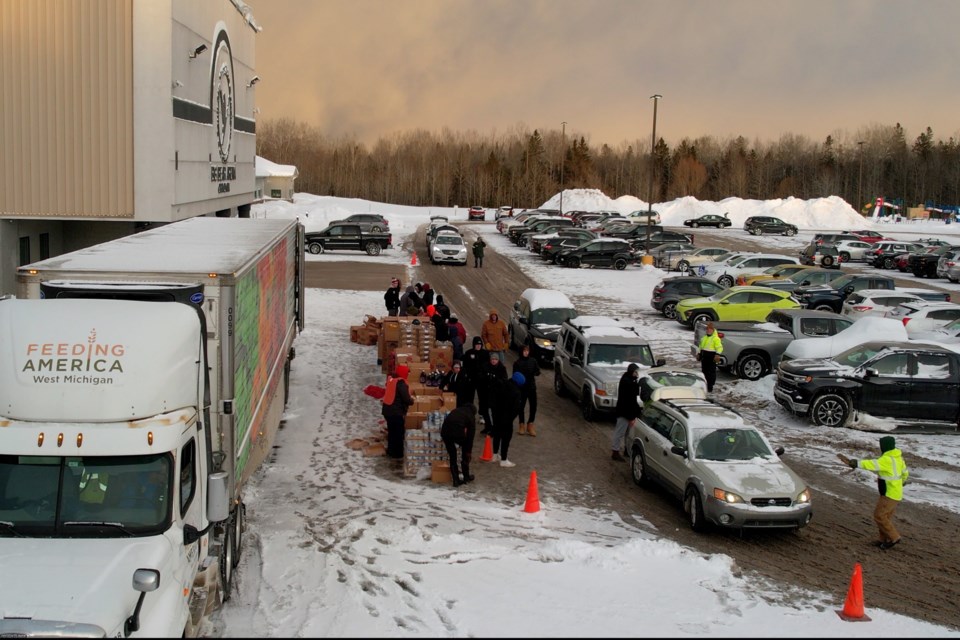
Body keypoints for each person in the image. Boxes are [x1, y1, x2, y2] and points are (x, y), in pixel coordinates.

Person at [838, 436, 909, 550]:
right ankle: (883, 539)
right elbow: (905, 472)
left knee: (879, 515)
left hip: (889, 493)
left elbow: (871, 464)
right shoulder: (898, 458)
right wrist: (903, 481)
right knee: (885, 517)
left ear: (884, 446)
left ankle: (894, 537)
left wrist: (857, 463)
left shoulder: (886, 459)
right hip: (896, 493)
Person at [489, 371, 524, 467]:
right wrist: (510, 418)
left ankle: (495, 455)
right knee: (506, 438)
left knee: (496, 435)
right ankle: (504, 460)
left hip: (496, 415)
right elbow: (516, 409)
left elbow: (493, 397)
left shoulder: (502, 384)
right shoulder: (516, 392)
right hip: (506, 419)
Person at [381, 365, 413, 459]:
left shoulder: (391, 380)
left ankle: (391, 451)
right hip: (395, 412)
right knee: (398, 432)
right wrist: (412, 401)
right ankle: (398, 454)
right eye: (407, 372)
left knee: (392, 431)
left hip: (387, 410)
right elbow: (406, 399)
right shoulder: (401, 383)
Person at [611, 363, 641, 462]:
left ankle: (626, 451)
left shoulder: (627, 379)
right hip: (624, 412)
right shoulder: (628, 383)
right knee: (620, 433)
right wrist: (632, 417)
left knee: (627, 434)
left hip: (625, 411)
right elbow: (629, 401)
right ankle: (615, 452)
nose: (637, 374)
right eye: (636, 372)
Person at [441, 403, 477, 487]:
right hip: (456, 433)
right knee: (465, 449)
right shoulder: (471, 417)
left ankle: (456, 480)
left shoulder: (457, 410)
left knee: (452, 455)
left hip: (445, 432)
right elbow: (470, 436)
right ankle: (466, 476)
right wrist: (468, 451)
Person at [513, 344, 541, 436]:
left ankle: (530, 424)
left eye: (527, 351)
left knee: (533, 406)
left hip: (531, 387)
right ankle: (521, 424)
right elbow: (515, 376)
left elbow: (538, 371)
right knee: (521, 407)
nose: (526, 352)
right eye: (524, 351)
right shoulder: (517, 363)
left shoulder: (533, 361)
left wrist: (536, 372)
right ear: (521, 352)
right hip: (522, 388)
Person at [478, 350, 508, 433]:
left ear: (498, 360)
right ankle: (488, 426)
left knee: (494, 413)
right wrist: (486, 377)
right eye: (492, 359)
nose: (493, 361)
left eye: (495, 359)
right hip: (485, 392)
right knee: (484, 411)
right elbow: (480, 376)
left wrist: (496, 380)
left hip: (496, 394)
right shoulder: (485, 366)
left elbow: (505, 380)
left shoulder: (502, 368)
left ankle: (494, 429)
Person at [461, 337, 488, 419]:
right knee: (469, 397)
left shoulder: (485, 353)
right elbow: (464, 366)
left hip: (482, 380)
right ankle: (470, 414)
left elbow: (487, 366)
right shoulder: (469, 353)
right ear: (474, 345)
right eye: (477, 344)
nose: (478, 346)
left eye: (480, 345)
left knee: (482, 398)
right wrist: (467, 376)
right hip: (471, 379)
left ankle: (482, 415)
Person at [697, 321, 723, 393]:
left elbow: (720, 347)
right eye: (707, 329)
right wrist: (699, 353)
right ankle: (704, 384)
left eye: (710, 329)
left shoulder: (716, 338)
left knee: (711, 372)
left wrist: (717, 354)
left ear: (713, 330)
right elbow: (700, 346)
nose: (709, 330)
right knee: (704, 371)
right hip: (704, 356)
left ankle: (710, 386)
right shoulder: (704, 338)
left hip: (712, 357)